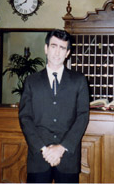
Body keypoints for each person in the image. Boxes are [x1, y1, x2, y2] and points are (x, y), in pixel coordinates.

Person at [18, 29, 90, 183]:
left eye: (62, 48)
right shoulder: (31, 81)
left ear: (68, 53)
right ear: (46, 48)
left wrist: (61, 148)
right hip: (38, 157)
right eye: (53, 46)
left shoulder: (79, 80)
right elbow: (25, 118)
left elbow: (82, 117)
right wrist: (44, 150)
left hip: (68, 158)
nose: (57, 52)